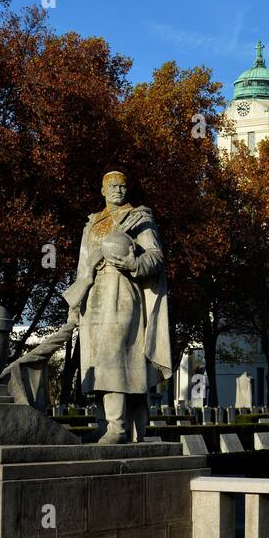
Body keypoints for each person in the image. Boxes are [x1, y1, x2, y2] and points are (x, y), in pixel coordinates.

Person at [62, 171, 170, 443]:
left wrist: (134, 264)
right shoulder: (92, 224)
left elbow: (156, 257)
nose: (117, 190)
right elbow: (83, 266)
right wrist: (74, 308)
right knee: (95, 361)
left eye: (122, 186)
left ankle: (117, 427)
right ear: (102, 190)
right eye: (112, 186)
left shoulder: (138, 218)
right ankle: (103, 423)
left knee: (114, 357)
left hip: (122, 290)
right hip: (93, 294)